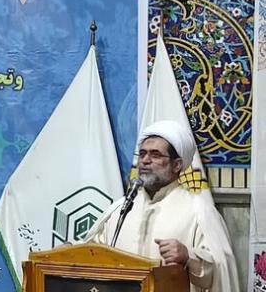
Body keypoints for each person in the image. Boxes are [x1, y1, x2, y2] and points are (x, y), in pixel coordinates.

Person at [84, 120, 239, 292]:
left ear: (177, 165)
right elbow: (91, 253)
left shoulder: (199, 210)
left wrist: (188, 257)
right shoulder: (121, 209)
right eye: (142, 154)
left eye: (155, 155)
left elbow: (221, 271)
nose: (145, 160)